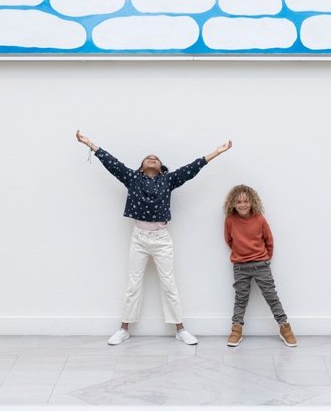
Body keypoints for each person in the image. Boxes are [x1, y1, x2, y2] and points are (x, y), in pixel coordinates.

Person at [75, 130, 232, 346]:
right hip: (138, 238)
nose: (152, 158)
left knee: (169, 283)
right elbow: (112, 163)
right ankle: (124, 328)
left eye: (156, 158)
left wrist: (216, 152)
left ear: (161, 167)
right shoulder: (132, 178)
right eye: (148, 157)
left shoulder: (168, 180)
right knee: (133, 284)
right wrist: (89, 144)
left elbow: (191, 169)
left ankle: (180, 329)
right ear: (141, 166)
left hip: (161, 240)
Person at [223, 184, 296, 347]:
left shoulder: (260, 219)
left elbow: (269, 241)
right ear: (233, 203)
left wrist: (264, 259)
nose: (243, 204)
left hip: (261, 265)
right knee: (240, 298)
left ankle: (284, 327)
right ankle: (236, 329)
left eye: (246, 201)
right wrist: (241, 255)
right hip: (240, 267)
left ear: (252, 202)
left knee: (271, 296)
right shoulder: (230, 220)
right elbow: (229, 240)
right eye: (239, 201)